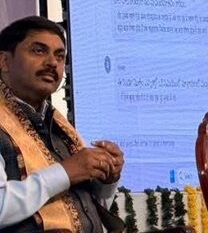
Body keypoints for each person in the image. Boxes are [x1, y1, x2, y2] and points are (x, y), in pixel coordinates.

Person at [0, 16, 124, 233]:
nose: (52, 63)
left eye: (59, 56)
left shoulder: (59, 124)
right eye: (39, 51)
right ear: (4, 61)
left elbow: (80, 208)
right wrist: (66, 172)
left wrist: (106, 179)